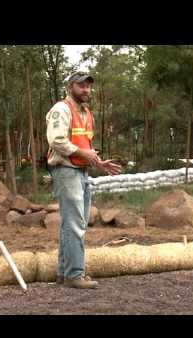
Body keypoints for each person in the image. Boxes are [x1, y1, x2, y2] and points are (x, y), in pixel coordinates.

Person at [46, 72, 122, 289]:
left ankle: (64, 273)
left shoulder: (86, 113)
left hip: (81, 172)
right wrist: (84, 154)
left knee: (73, 224)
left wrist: (98, 162)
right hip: (66, 171)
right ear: (70, 87)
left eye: (88, 86)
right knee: (75, 223)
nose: (86, 90)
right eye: (81, 86)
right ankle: (75, 275)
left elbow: (85, 147)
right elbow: (57, 140)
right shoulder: (61, 109)